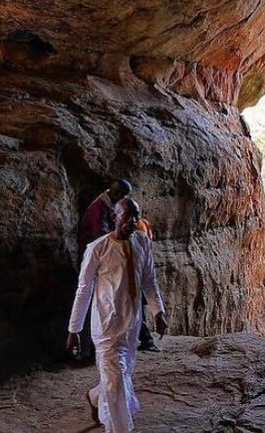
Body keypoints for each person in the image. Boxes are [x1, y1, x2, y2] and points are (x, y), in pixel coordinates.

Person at [67, 197, 168, 432]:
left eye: (136, 216)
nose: (132, 221)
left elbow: (149, 280)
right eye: (127, 215)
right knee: (115, 382)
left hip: (131, 323)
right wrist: (74, 329)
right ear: (115, 216)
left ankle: (94, 397)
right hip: (105, 325)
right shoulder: (98, 249)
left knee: (121, 374)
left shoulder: (142, 242)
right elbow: (84, 290)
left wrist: (158, 311)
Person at [78, 179, 132, 256]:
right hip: (91, 249)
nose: (125, 198)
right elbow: (100, 233)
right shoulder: (99, 207)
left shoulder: (112, 203)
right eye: (124, 195)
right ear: (116, 193)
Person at [135, 216, 160, 352]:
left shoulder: (139, 226)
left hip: (135, 275)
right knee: (138, 312)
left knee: (136, 313)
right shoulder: (144, 223)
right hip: (139, 273)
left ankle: (147, 340)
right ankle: (146, 340)